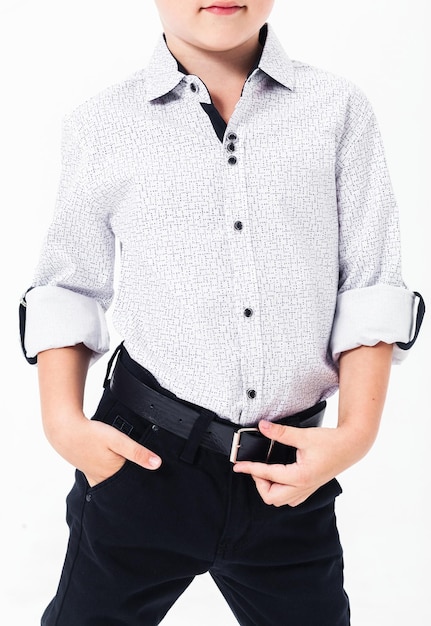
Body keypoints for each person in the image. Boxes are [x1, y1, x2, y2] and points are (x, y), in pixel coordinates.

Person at [20, 1, 425, 624]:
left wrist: (353, 437)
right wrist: (64, 427)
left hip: (289, 476)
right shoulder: (104, 123)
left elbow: (370, 283)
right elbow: (69, 286)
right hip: (142, 462)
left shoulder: (337, 109)